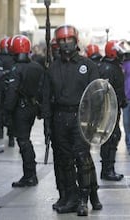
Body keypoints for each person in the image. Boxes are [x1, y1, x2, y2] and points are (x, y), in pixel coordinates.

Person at [42, 24, 102, 216]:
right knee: (63, 160)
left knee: (82, 159)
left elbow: (97, 97)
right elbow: (46, 98)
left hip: (81, 118)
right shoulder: (53, 67)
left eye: (69, 40)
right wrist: (47, 124)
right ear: (57, 43)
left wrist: (94, 122)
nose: (66, 44)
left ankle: (84, 200)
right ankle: (69, 197)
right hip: (60, 118)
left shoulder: (89, 66)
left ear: (75, 41)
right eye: (62, 40)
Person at [4, 35, 44, 187]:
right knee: (25, 140)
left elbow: (12, 92)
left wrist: (7, 111)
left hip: (20, 109)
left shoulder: (16, 69)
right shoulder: (37, 67)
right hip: (32, 108)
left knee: (23, 141)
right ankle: (30, 173)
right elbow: (43, 89)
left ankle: (29, 175)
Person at [97, 40, 126, 181]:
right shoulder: (108, 68)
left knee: (112, 138)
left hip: (113, 109)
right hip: (108, 111)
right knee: (110, 139)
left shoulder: (112, 66)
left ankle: (109, 169)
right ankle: (107, 170)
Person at [0, 37, 16, 147]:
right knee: (11, 114)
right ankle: (11, 137)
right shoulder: (14, 60)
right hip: (11, 89)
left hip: (0, 89)